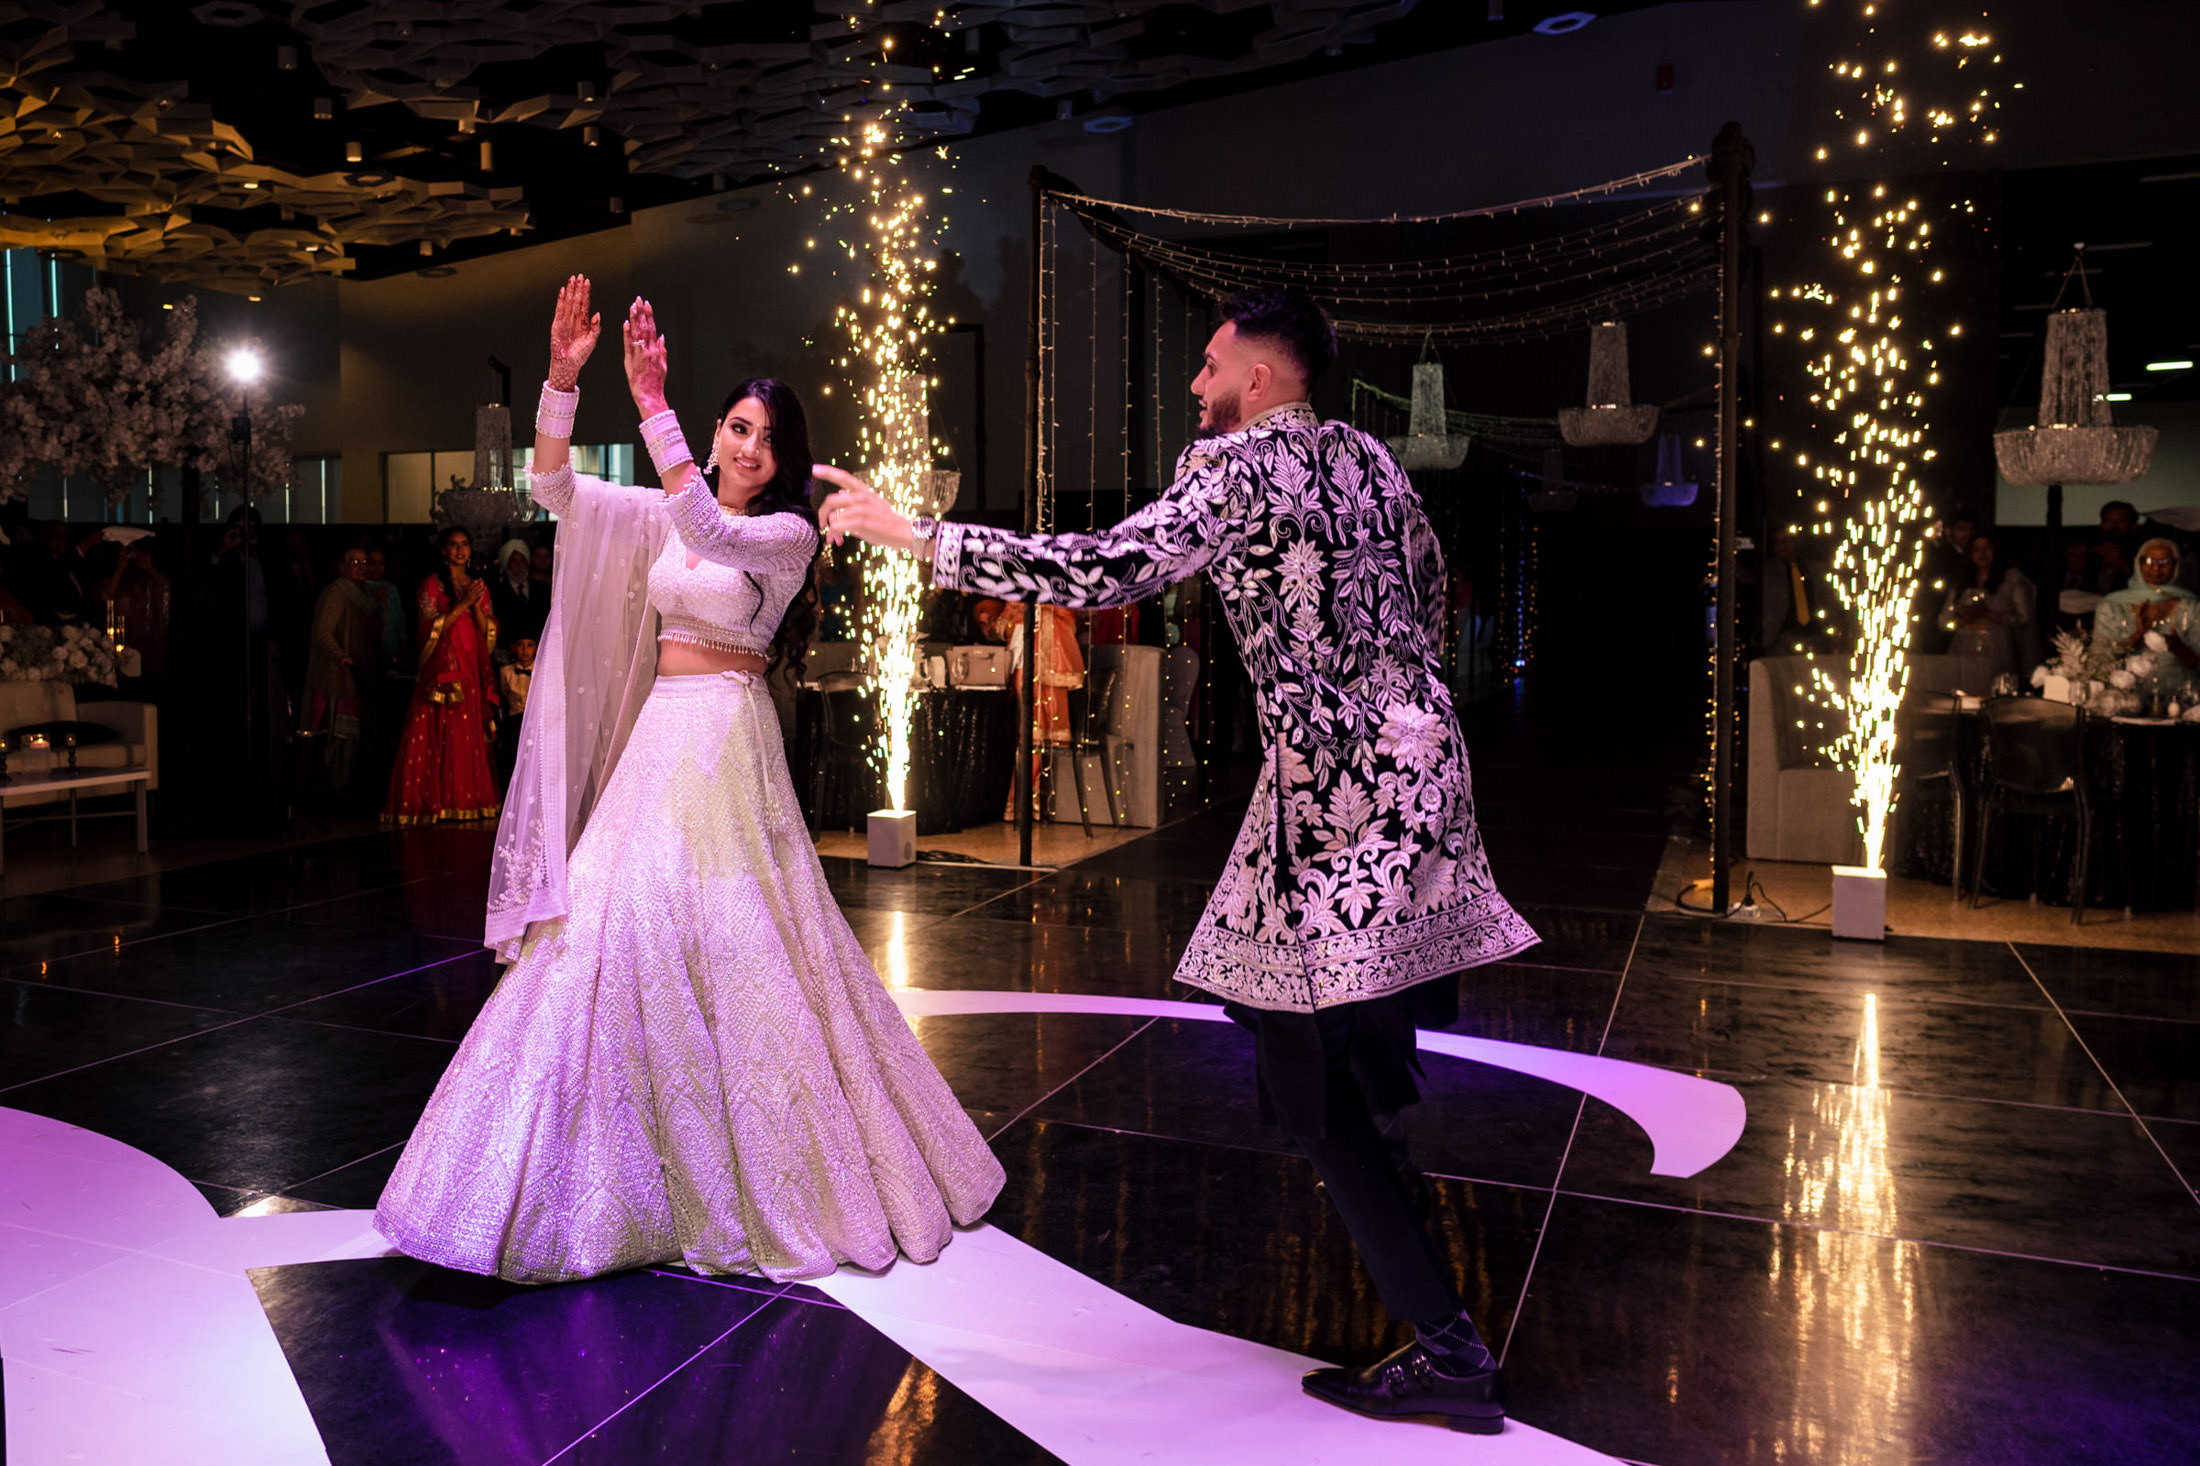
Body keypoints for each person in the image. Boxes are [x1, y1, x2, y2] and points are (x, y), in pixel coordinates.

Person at [819, 287, 1536, 1434]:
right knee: (1321, 1033)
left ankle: (1450, 1346)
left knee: (1308, 1070)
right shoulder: (1371, 457)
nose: (1195, 387)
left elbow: (1106, 569)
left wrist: (924, 537)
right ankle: (1392, 1174)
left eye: (1208, 367)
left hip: (1332, 798)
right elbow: (1428, 587)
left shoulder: (1234, 468)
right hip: (1414, 772)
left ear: (1259, 378)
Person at [376, 276, 1002, 1285]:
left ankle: (765, 1169)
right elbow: (553, 492)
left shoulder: (784, 536)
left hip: (725, 743)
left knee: (738, 938)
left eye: (768, 440)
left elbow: (712, 535)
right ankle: (583, 1176)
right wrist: (563, 384)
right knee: (599, 931)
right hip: (659, 737)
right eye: (739, 428)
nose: (751, 449)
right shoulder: (669, 512)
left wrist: (655, 402)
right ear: (719, 433)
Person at [383, 525, 501, 823]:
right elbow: (427, 632)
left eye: (464, 544)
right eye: (453, 544)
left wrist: (475, 608)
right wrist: (462, 605)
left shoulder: (478, 586)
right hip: (442, 669)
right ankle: (433, 800)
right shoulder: (432, 585)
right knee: (438, 731)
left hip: (471, 667)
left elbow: (489, 632)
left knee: (468, 732)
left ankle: (465, 799)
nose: (460, 550)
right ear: (443, 550)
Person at [975, 595, 1084, 818]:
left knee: (1038, 734)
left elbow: (1070, 620)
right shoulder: (1017, 593)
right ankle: (1020, 802)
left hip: (1048, 663)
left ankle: (1026, 802)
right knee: (1026, 732)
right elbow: (1003, 626)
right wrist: (1010, 621)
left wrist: (1040, 615)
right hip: (1024, 661)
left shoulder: (1057, 596)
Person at [301, 546, 385, 803]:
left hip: (360, 674)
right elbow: (323, 631)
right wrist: (341, 656)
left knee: (352, 737)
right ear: (341, 566)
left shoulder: (367, 595)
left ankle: (346, 786)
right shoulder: (338, 591)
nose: (360, 566)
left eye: (363, 561)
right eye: (354, 561)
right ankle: (333, 789)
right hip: (337, 676)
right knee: (338, 736)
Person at [2094, 537, 2200, 702]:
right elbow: (2099, 660)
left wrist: (2177, 646)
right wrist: (2137, 636)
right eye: (2149, 561)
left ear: (2176, 565)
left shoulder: (2192, 605)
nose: (2156, 567)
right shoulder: (2113, 604)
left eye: (2165, 561)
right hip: (2127, 696)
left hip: (2182, 695)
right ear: (2139, 563)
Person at [1939, 530, 2036, 692]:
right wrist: (1962, 619)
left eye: (1987, 548)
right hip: (1964, 648)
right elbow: (1943, 620)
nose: (1982, 554)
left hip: (1997, 648)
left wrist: (1991, 615)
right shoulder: (1962, 583)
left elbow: (2024, 618)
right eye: (1977, 549)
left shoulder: (2011, 581)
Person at [490, 536, 549, 647]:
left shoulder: (543, 589)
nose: (519, 565)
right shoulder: (496, 593)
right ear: (506, 564)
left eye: (522, 560)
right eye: (513, 561)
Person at [495, 634, 535, 788]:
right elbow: (503, 695)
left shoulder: (542, 670)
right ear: (513, 648)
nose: (525, 650)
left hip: (535, 723)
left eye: (529, 645)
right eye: (521, 645)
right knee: (512, 761)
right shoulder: (505, 672)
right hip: (514, 723)